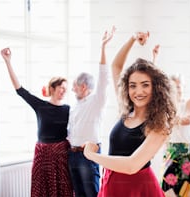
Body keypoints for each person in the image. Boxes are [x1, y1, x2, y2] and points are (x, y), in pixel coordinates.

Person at [83, 31, 177, 197]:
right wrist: (133, 38)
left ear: (156, 88)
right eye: (133, 85)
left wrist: (91, 155)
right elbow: (116, 67)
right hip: (112, 184)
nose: (138, 91)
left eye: (145, 85)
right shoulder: (126, 110)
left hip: (138, 189)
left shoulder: (160, 125)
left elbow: (131, 165)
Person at [1, 48, 73, 197]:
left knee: (63, 190)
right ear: (52, 88)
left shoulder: (69, 109)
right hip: (42, 154)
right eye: (61, 88)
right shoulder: (41, 105)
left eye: (66, 89)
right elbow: (20, 90)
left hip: (61, 155)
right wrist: (8, 62)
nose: (64, 91)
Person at [67, 27, 115, 197]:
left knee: (92, 194)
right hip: (72, 155)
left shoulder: (96, 102)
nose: (72, 89)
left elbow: (104, 78)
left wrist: (103, 48)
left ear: (84, 87)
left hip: (88, 157)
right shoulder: (74, 106)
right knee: (79, 194)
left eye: (74, 86)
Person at [152, 45, 190, 197]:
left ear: (183, 87)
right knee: (166, 190)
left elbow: (187, 120)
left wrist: (166, 118)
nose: (177, 89)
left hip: (189, 150)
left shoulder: (188, 102)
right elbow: (154, 85)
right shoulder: (164, 105)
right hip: (171, 150)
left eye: (179, 86)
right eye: (174, 87)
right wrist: (154, 59)